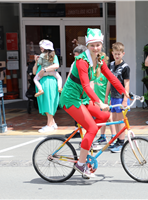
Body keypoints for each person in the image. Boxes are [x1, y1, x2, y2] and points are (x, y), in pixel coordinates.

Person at [59, 28, 129, 178]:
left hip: (82, 98)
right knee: (92, 127)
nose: (96, 48)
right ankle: (80, 164)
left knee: (104, 116)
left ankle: (88, 140)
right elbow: (85, 85)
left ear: (101, 45)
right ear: (88, 45)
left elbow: (111, 77)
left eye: (98, 45)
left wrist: (125, 92)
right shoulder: (82, 62)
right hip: (71, 98)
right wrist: (98, 102)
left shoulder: (99, 59)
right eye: (92, 45)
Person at [104, 42, 130, 153]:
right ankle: (116, 140)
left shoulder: (125, 67)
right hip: (113, 97)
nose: (117, 56)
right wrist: (106, 97)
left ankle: (121, 142)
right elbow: (109, 82)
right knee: (114, 120)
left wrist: (125, 99)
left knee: (120, 120)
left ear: (123, 53)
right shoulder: (110, 65)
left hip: (121, 97)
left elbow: (127, 83)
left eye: (119, 54)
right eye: (115, 54)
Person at [33, 39, 60, 133]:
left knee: (49, 102)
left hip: (49, 81)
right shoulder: (40, 58)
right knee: (45, 102)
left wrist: (44, 70)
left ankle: (49, 125)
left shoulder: (53, 57)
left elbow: (56, 66)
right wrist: (36, 62)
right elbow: (34, 72)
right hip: (42, 82)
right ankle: (52, 123)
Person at [93, 52, 116, 147]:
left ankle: (114, 136)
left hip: (105, 99)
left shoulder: (106, 72)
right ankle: (102, 136)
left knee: (109, 117)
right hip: (97, 100)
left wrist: (108, 97)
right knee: (102, 117)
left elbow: (109, 85)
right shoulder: (94, 71)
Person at [65, 44, 88, 139]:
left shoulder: (84, 63)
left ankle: (83, 132)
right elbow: (70, 76)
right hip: (76, 91)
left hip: (83, 91)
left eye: (76, 54)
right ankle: (78, 130)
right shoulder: (75, 63)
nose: (74, 56)